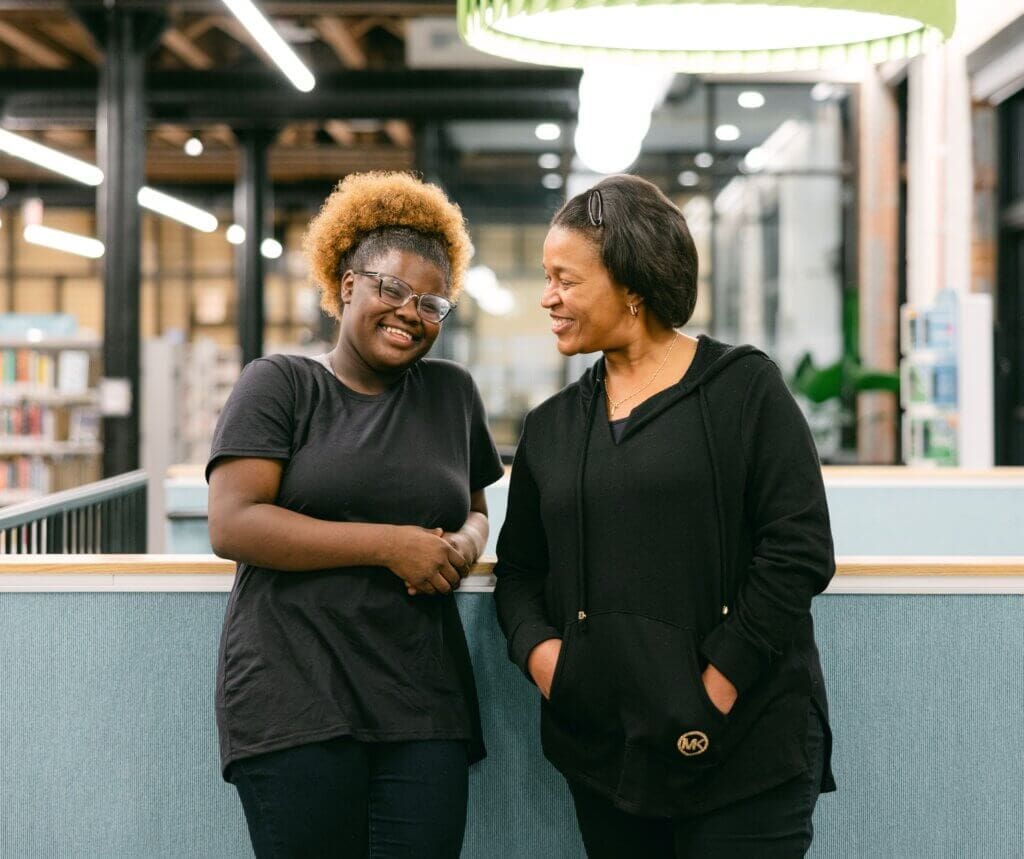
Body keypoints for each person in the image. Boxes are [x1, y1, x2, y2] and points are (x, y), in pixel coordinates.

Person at [494, 174, 836, 857]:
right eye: (546, 277)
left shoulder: (744, 389)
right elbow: (521, 572)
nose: (548, 297)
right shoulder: (552, 426)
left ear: (632, 285)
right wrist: (547, 661)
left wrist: (718, 685)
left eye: (565, 278)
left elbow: (797, 549)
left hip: (745, 752)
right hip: (608, 755)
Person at [206, 171, 504, 858]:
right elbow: (235, 523)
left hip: (421, 697)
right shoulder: (278, 383)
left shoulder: (451, 392)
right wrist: (391, 546)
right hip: (295, 694)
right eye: (391, 288)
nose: (410, 311)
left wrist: (461, 541)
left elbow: (477, 505)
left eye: (432, 302)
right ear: (346, 284)